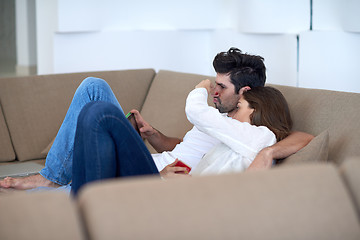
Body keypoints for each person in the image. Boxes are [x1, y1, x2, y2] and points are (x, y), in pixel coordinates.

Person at [0, 47, 313, 191]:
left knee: (98, 110)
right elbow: (185, 149)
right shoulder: (220, 120)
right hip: (154, 162)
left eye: (221, 86)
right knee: (94, 88)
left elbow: (296, 136)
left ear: (245, 92)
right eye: (213, 84)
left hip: (150, 176)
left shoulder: (246, 131)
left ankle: (54, 180)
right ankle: (55, 177)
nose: (215, 91)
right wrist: (153, 136)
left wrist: (200, 89)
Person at [71, 79, 292, 195]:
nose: (231, 113)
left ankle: (87, 206)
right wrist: (166, 175)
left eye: (239, 107)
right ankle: (85, 209)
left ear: (254, 111)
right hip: (165, 184)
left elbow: (196, 111)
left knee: (99, 112)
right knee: (95, 111)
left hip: (169, 195)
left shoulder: (257, 136)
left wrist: (201, 89)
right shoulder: (240, 141)